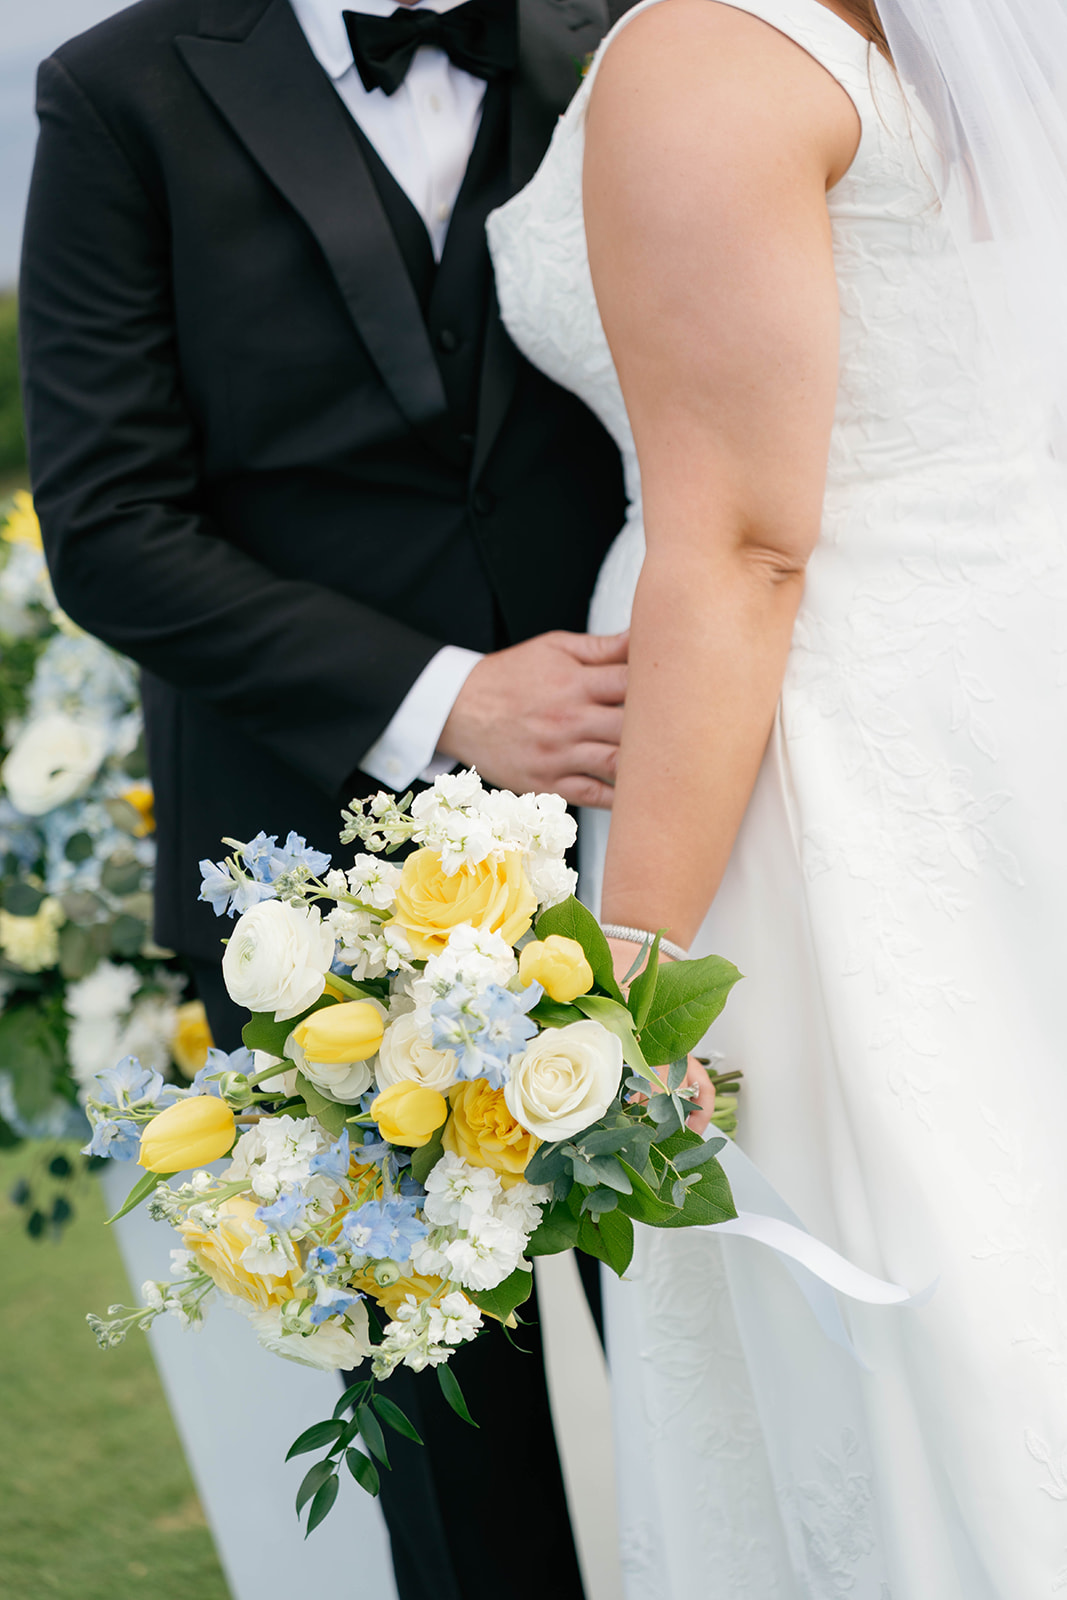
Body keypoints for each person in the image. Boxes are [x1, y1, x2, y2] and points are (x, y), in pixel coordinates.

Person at [17, 0, 631, 1594]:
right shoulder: (117, 91)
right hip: (315, 868)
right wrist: (449, 701)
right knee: (454, 1462)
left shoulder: (619, 32)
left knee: (725, 1348)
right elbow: (109, 527)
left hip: (648, 798)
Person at [488, 0, 1067, 1592]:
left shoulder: (706, 51)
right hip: (996, 679)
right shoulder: (908, 37)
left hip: (810, 735)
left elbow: (744, 546)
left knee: (917, 1258)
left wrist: (615, 983)